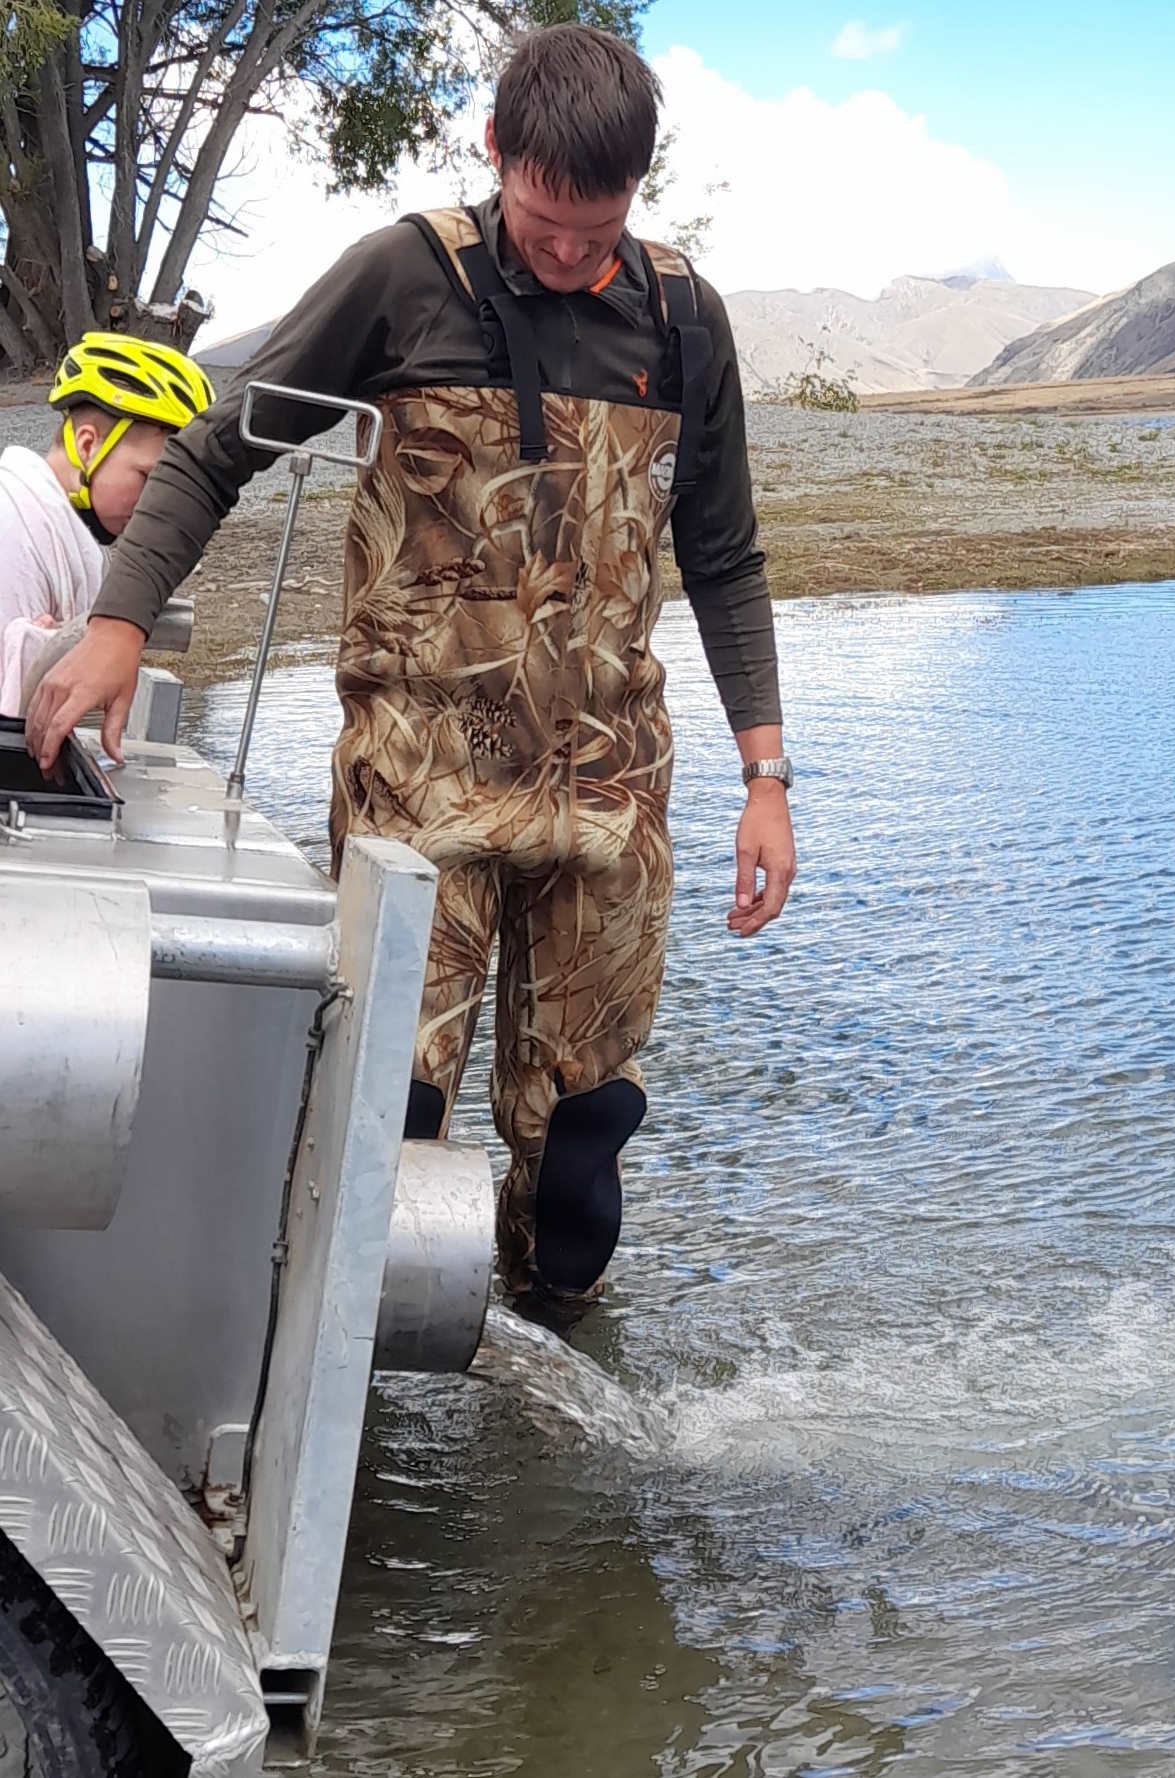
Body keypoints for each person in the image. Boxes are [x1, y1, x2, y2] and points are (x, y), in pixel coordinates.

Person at [29, 23, 794, 1321]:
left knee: (582, 1141)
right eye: (544, 224)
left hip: (609, 796)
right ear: (493, 150)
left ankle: (551, 1384)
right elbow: (217, 448)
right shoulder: (402, 277)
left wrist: (765, 775)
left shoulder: (682, 318)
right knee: (391, 1111)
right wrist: (118, 621)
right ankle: (354, 1399)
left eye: (597, 230)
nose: (568, 256)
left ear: (636, 189)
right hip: (417, 785)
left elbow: (724, 556)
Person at [0, 333, 211, 716]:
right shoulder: (12, 530)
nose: (161, 509)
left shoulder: (62, 532)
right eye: (150, 479)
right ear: (88, 445)